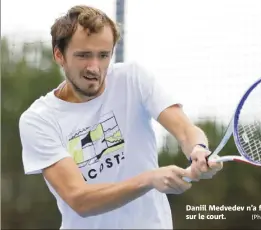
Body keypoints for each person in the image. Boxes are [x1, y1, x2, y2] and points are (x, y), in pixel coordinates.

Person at [18, 5, 223, 229]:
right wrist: (149, 179)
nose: (94, 67)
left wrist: (198, 149)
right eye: (84, 55)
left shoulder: (133, 78)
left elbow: (185, 131)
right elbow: (79, 198)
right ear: (59, 55)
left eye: (103, 55)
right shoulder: (38, 120)